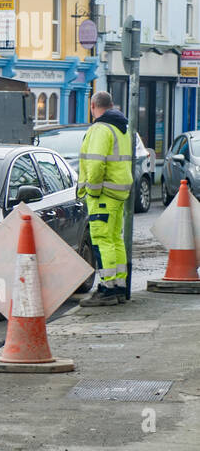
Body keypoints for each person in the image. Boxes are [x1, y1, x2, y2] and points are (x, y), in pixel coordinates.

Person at [78, 91, 134, 306]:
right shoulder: (121, 128)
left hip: (103, 194)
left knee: (102, 241)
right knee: (115, 239)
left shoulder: (100, 129)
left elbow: (96, 164)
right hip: (119, 191)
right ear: (111, 105)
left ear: (93, 106)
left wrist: (92, 191)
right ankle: (119, 286)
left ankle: (107, 289)